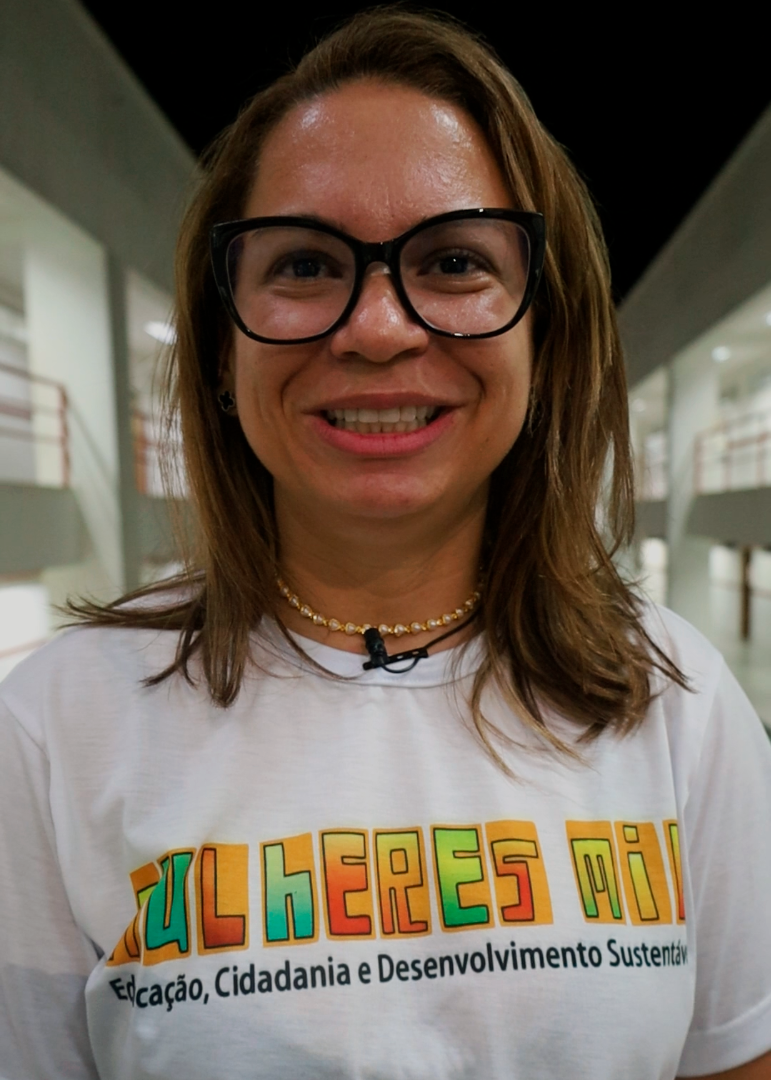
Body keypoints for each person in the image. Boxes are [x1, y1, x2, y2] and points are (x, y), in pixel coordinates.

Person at [1, 8, 770, 1079]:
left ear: (543, 338)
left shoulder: (677, 701)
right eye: (305, 264)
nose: (376, 327)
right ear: (221, 349)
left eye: (452, 260)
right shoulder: (53, 728)